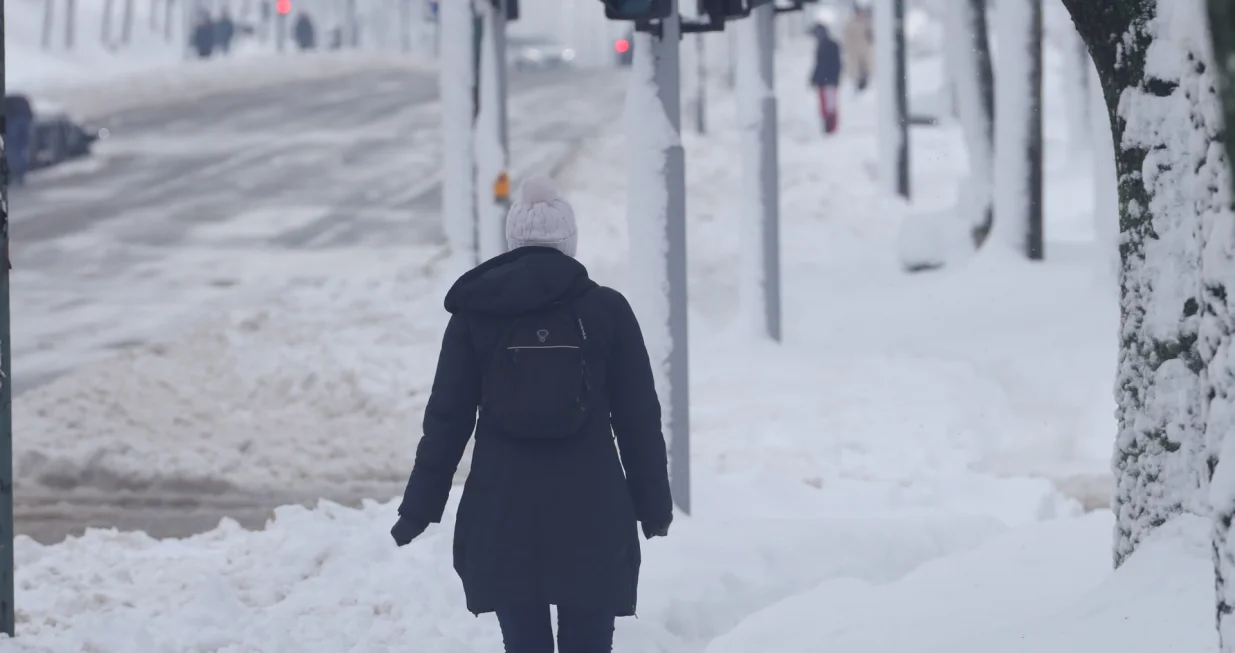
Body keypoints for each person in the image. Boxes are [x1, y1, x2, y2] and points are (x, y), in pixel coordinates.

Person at [392, 175, 674, 653]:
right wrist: (653, 509)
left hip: (504, 508)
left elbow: (446, 419)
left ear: (513, 242)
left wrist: (419, 508)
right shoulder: (607, 311)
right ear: (569, 243)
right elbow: (638, 418)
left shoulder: (476, 315)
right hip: (594, 511)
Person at [811, 22, 843, 135]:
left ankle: (830, 127)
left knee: (829, 105)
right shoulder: (827, 45)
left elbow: (834, 64)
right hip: (826, 80)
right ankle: (829, 126)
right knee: (827, 105)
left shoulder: (828, 45)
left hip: (828, 80)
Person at [842, 4, 874, 92]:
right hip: (855, 55)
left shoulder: (867, 25)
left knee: (865, 71)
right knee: (857, 72)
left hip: (865, 55)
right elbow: (847, 41)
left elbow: (871, 39)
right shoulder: (850, 25)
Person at [4, 94, 34, 186]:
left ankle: (15, 173)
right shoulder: (19, 99)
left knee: (13, 149)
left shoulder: (6, 102)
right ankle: (20, 174)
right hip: (25, 121)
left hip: (14, 122)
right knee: (21, 148)